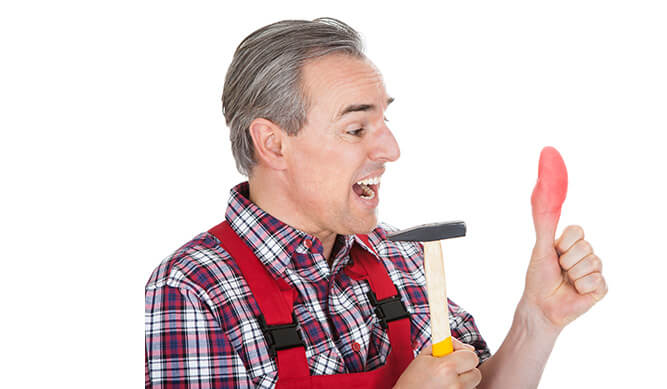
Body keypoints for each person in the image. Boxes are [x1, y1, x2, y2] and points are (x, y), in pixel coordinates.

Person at [145, 17, 607, 389]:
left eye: (384, 121)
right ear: (273, 144)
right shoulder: (195, 287)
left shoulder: (399, 255)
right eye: (356, 129)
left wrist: (537, 319)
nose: (391, 149)